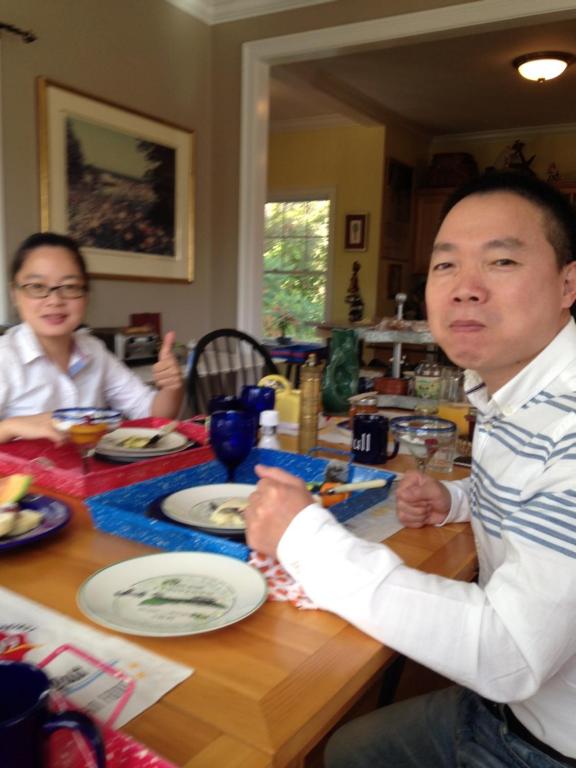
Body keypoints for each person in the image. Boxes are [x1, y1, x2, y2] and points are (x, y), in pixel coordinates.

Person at [244, 171, 576, 767]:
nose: (465, 288)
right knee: (345, 749)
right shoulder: (511, 391)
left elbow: (512, 653)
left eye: (501, 261)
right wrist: (456, 500)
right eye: (446, 265)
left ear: (567, 284)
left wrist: (303, 539)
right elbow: (534, 486)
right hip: (500, 709)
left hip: (550, 743)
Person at [0, 232, 183, 444]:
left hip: (94, 474)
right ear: (15, 294)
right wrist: (10, 426)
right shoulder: (5, 358)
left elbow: (152, 414)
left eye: (69, 287)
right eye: (37, 287)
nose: (54, 300)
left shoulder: (94, 350)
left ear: (85, 295)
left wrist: (171, 387)